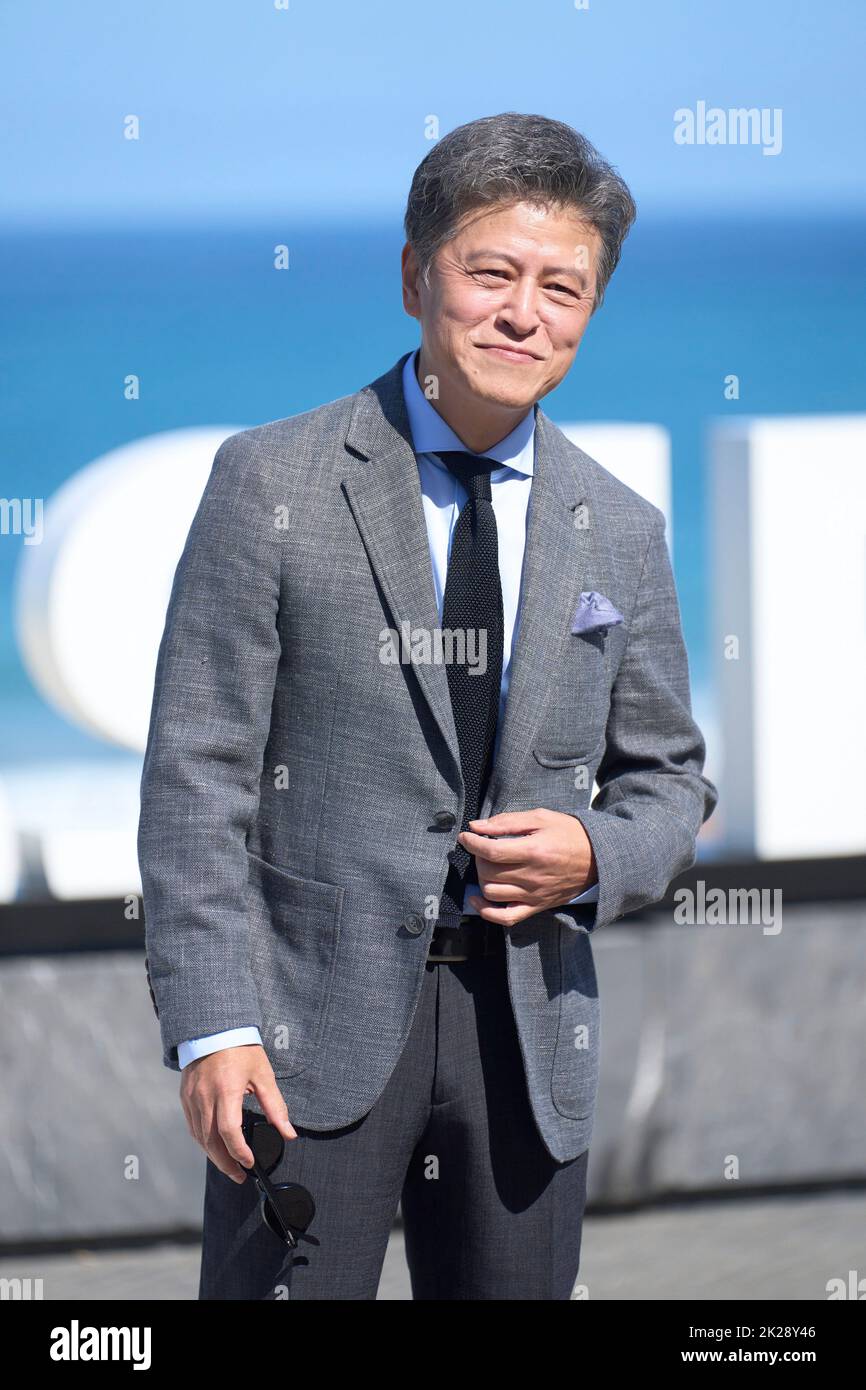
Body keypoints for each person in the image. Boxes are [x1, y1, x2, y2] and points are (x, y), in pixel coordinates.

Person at [138, 111, 718, 1300]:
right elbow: (195, 775)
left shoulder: (620, 526)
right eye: (490, 272)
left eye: (563, 288)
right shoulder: (270, 480)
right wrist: (211, 1027)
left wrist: (592, 852)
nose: (524, 313)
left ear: (588, 314)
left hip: (523, 1039)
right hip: (300, 1036)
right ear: (415, 277)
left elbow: (671, 782)